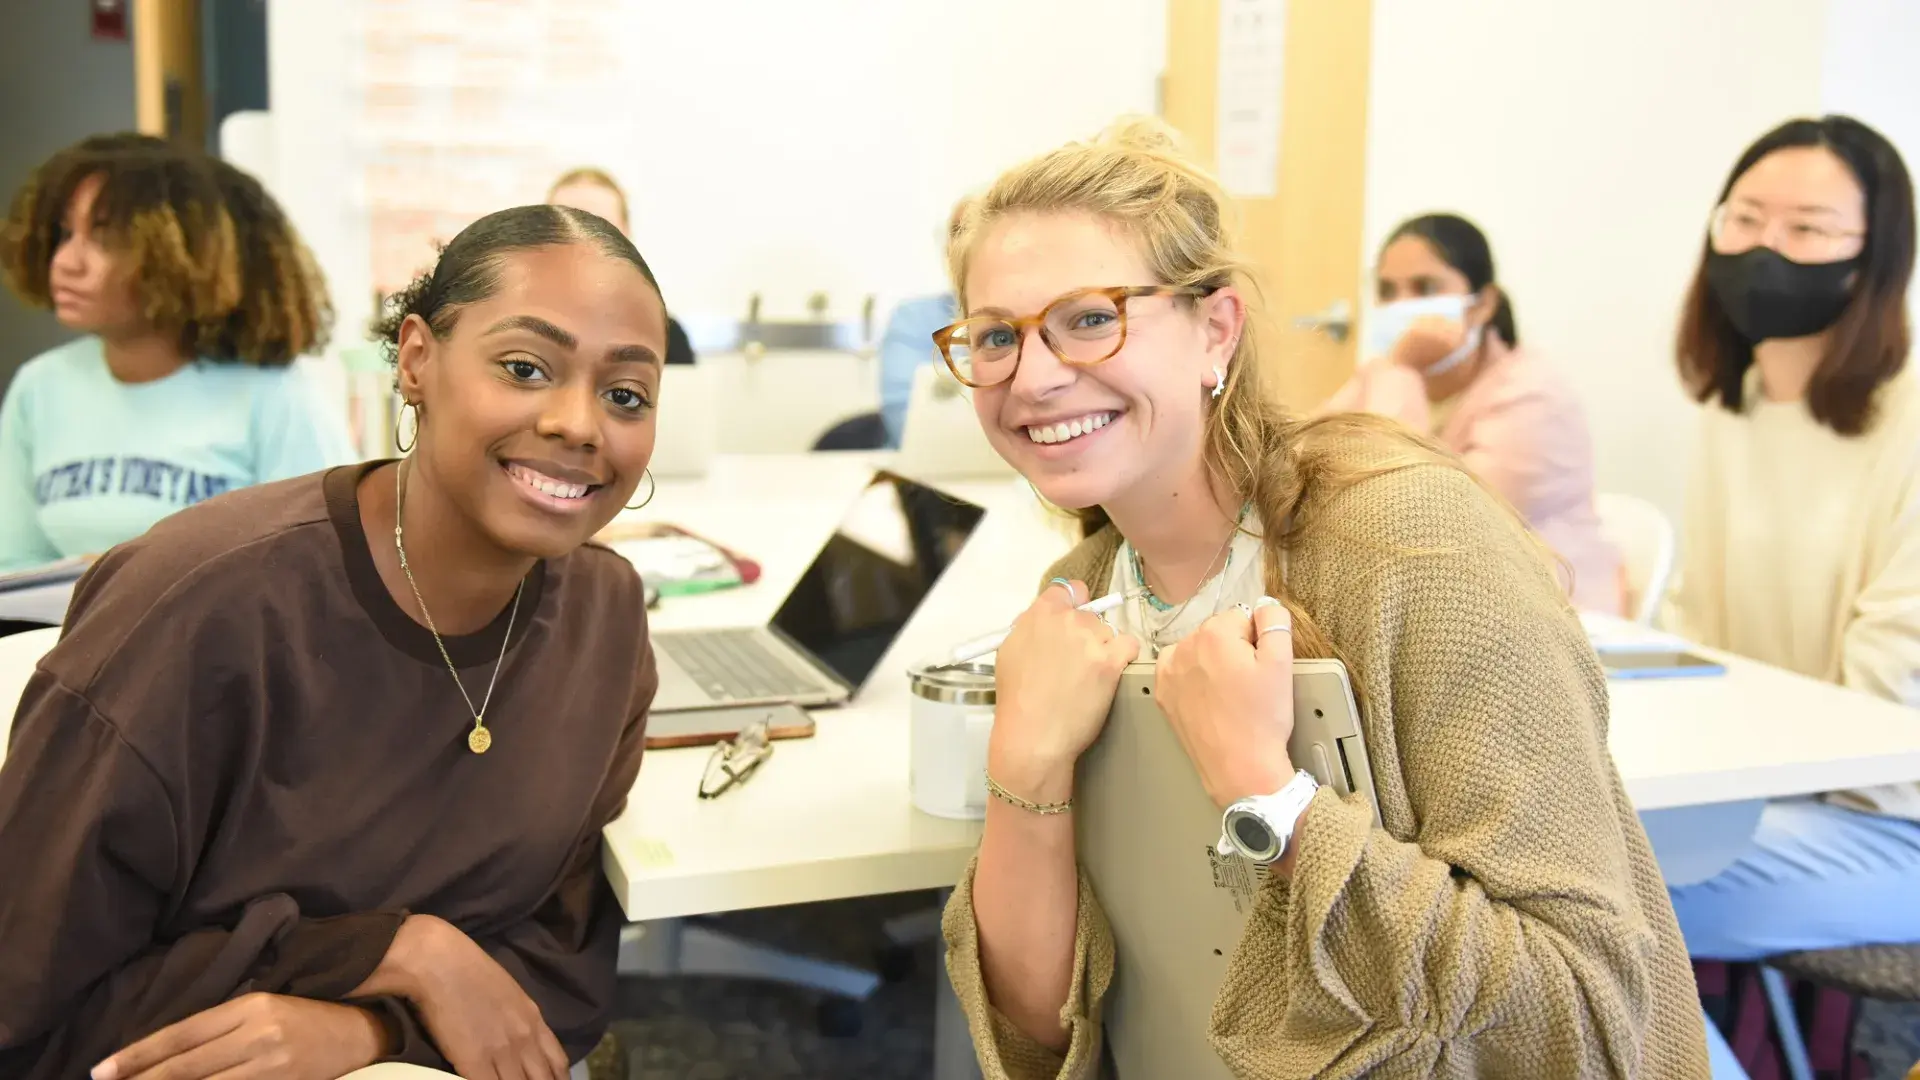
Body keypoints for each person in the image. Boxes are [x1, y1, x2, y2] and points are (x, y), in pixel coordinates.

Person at [934, 119, 1707, 1079]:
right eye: (996, 336)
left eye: (1090, 319)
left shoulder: (1409, 545)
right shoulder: (1084, 598)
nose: (1034, 375)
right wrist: (1026, 763)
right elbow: (1039, 1040)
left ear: (1217, 330)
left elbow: (1580, 1019)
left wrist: (1271, 800)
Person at [0, 203, 665, 1079]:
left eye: (625, 395)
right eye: (524, 367)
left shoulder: (604, 619)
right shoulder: (197, 609)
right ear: (417, 360)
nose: (580, 423)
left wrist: (371, 1030)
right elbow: (29, 1004)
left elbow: (559, 963)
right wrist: (395, 954)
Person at [1664, 114, 1920, 960]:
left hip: (1886, 818)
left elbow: (1893, 692)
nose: (1764, 249)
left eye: (1807, 229)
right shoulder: (1732, 407)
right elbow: (1694, 633)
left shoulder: (1909, 419)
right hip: (1758, 788)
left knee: (1589, 909)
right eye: (1744, 219)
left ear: (1874, 258)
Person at [0, 133, 356, 575]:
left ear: (188, 256)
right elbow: (14, 566)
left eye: (106, 239)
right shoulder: (40, 387)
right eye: (64, 233)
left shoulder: (276, 395)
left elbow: (321, 570)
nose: (66, 262)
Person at [1322, 213, 1623, 615]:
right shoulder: (1384, 373)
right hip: (1442, 601)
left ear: (1482, 305)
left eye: (1426, 288)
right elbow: (1307, 461)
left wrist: (1404, 370)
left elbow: (1421, 515)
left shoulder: (1533, 396)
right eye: (1388, 290)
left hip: (1543, 616)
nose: (1401, 306)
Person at [547, 166, 694, 367]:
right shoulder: (514, 327)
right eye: (564, 224)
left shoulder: (667, 337)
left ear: (626, 236)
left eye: (601, 227)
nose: (580, 239)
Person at [878, 198, 973, 448]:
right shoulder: (914, 318)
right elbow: (905, 420)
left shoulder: (1036, 318)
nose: (968, 243)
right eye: (959, 231)